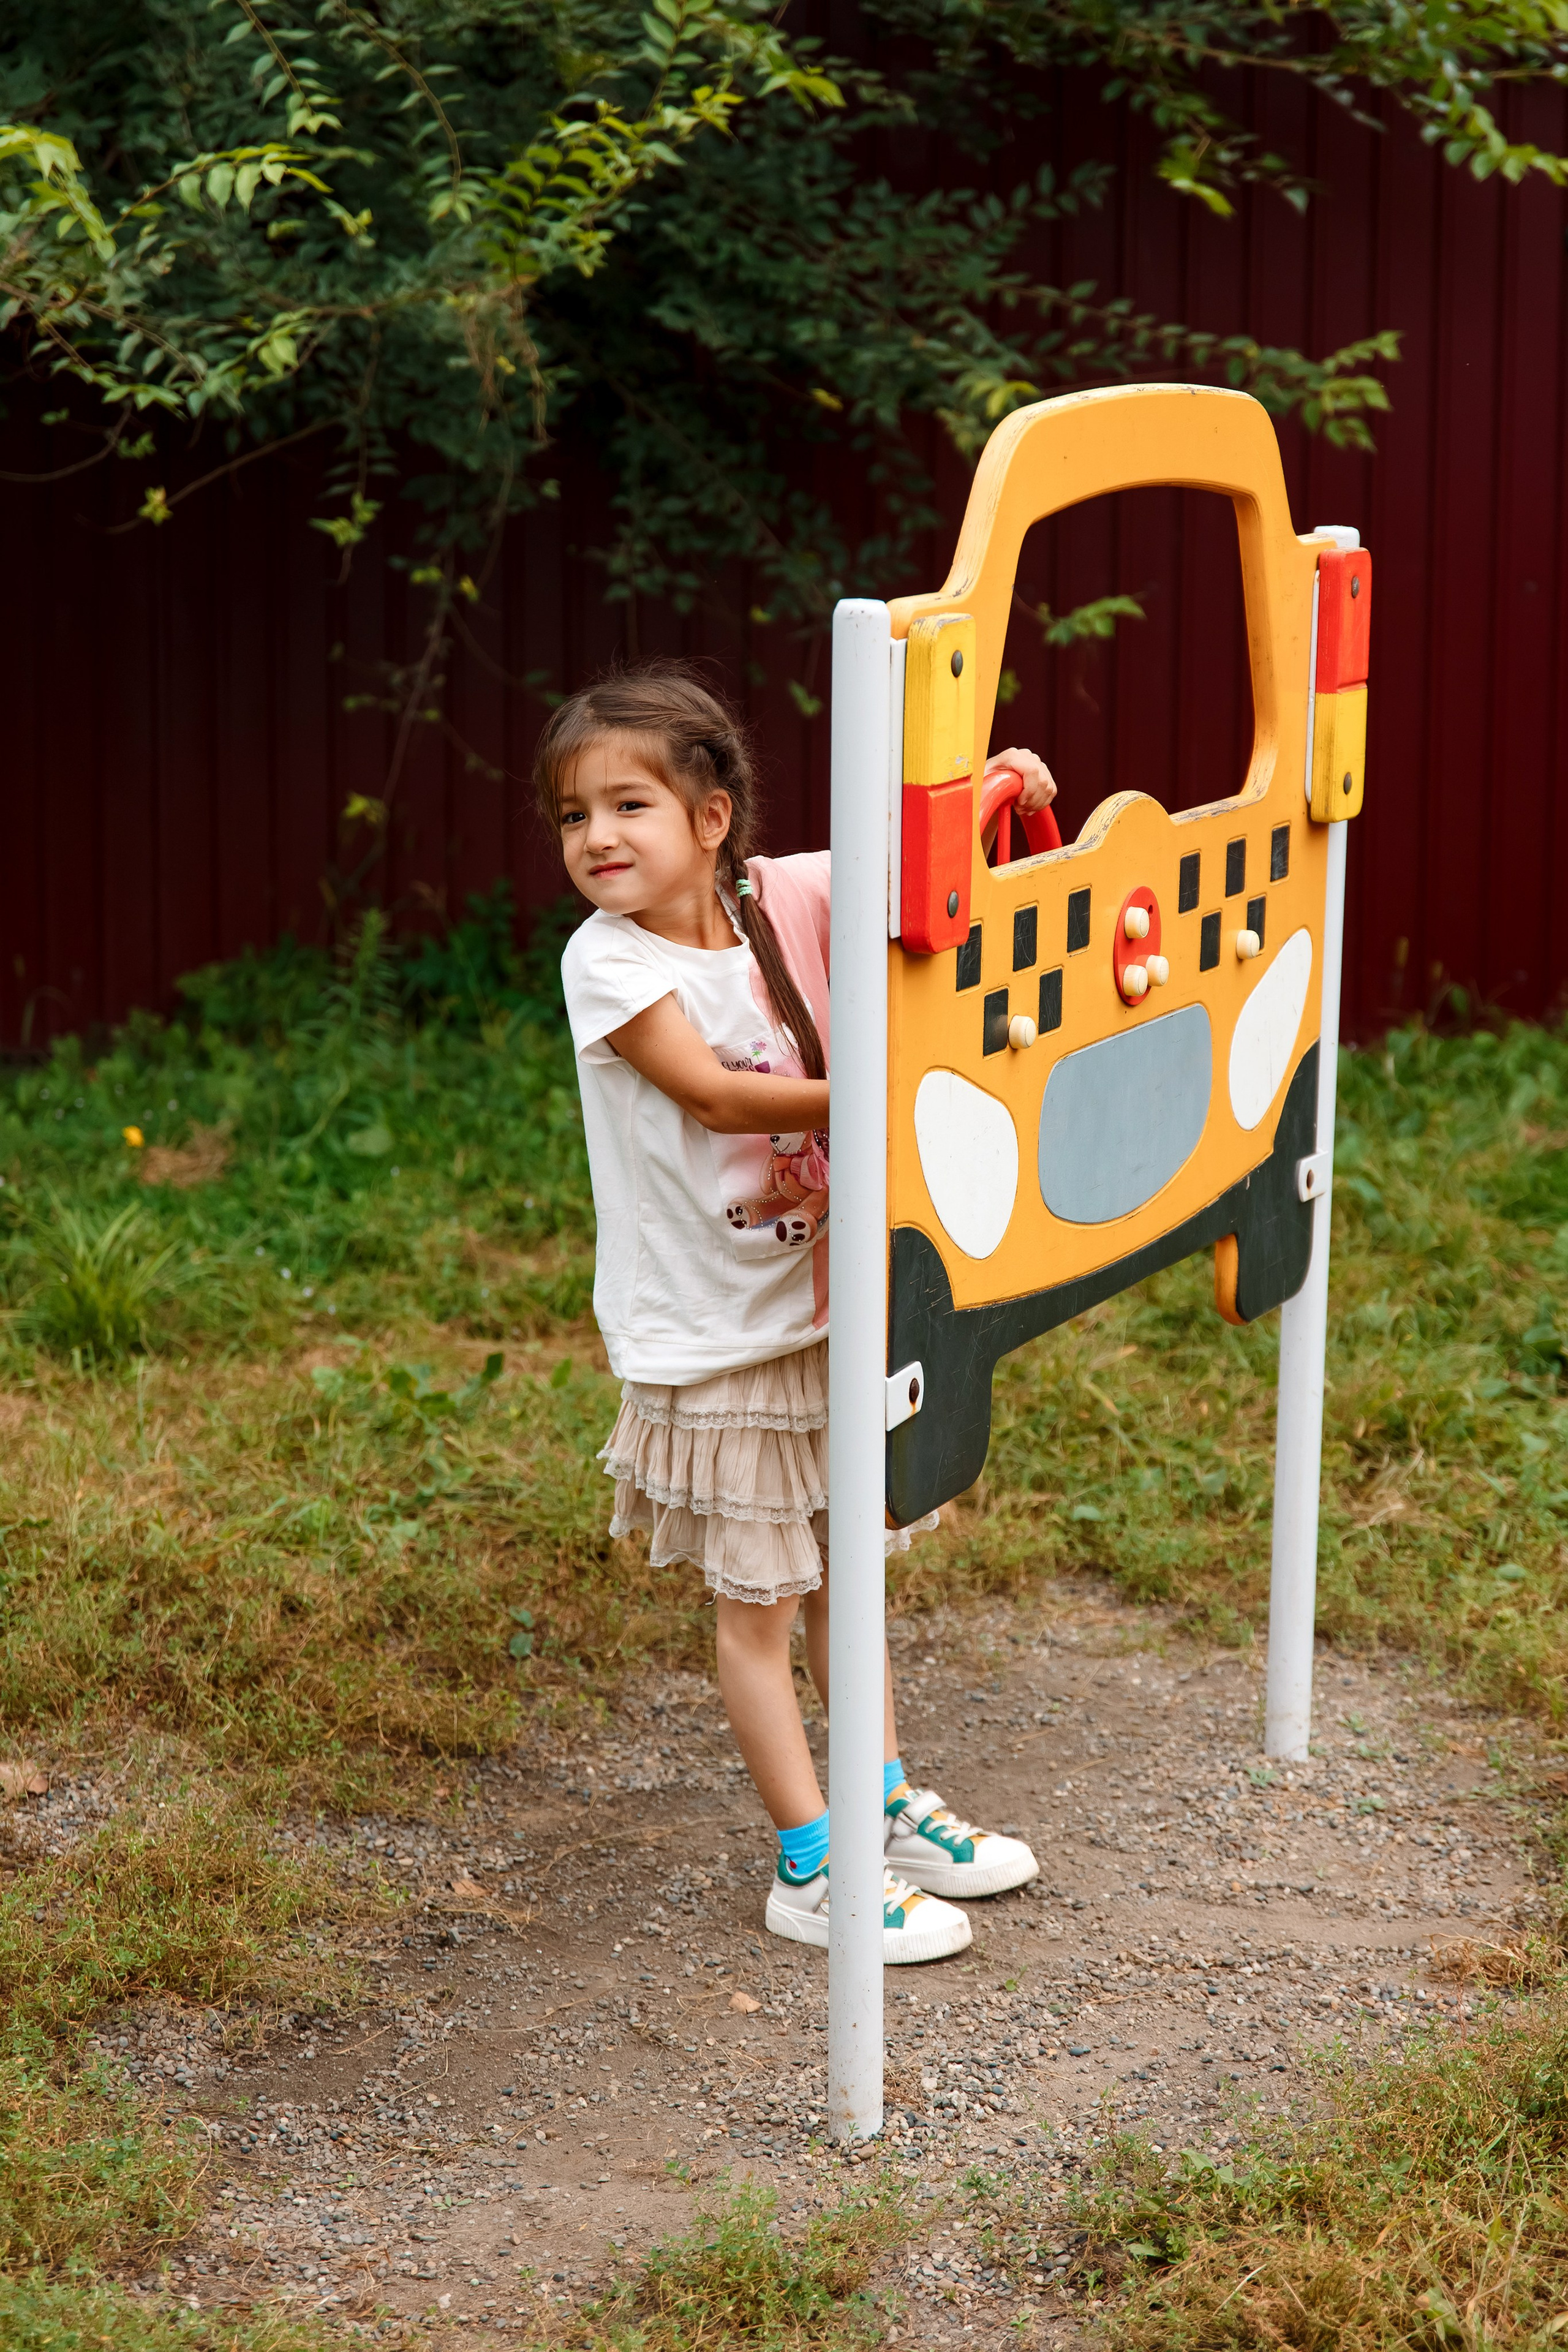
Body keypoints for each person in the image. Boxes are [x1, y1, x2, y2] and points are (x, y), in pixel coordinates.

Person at [535, 662, 1058, 1963]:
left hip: (823, 1312)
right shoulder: (607, 963)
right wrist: (880, 1094)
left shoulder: (780, 900)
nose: (597, 837)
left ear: (711, 819)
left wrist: (1000, 784)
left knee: (851, 1578)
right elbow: (714, 1095)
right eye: (570, 816)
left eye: (628, 805)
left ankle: (878, 1809)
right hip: (715, 1338)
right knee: (759, 1609)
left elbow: (905, 863)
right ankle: (810, 1866)